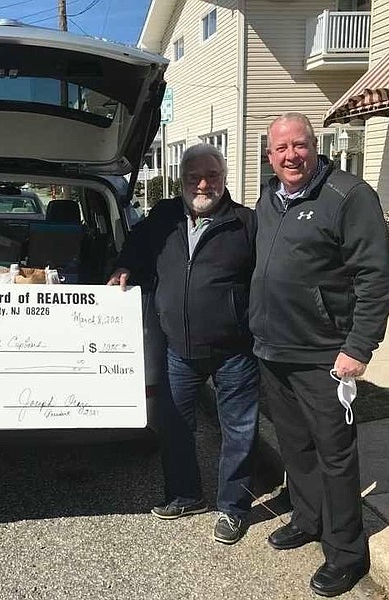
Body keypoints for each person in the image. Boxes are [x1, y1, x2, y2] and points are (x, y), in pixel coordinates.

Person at [251, 112, 389, 597]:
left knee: (335, 456)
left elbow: (376, 277)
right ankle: (308, 520)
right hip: (275, 350)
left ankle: (347, 554)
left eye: (300, 146)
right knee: (296, 448)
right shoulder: (269, 199)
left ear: (316, 146)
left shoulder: (348, 196)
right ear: (269, 156)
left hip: (323, 356)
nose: (291, 156)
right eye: (281, 149)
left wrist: (358, 346)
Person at [109, 143, 259, 545]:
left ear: (224, 179)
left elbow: (267, 281)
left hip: (234, 351)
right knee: (174, 426)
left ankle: (233, 508)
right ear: (182, 181)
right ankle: (185, 495)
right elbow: (137, 247)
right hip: (178, 348)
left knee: (239, 432)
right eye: (193, 177)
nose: (203, 184)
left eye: (211, 176)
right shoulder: (164, 217)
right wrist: (124, 267)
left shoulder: (246, 223)